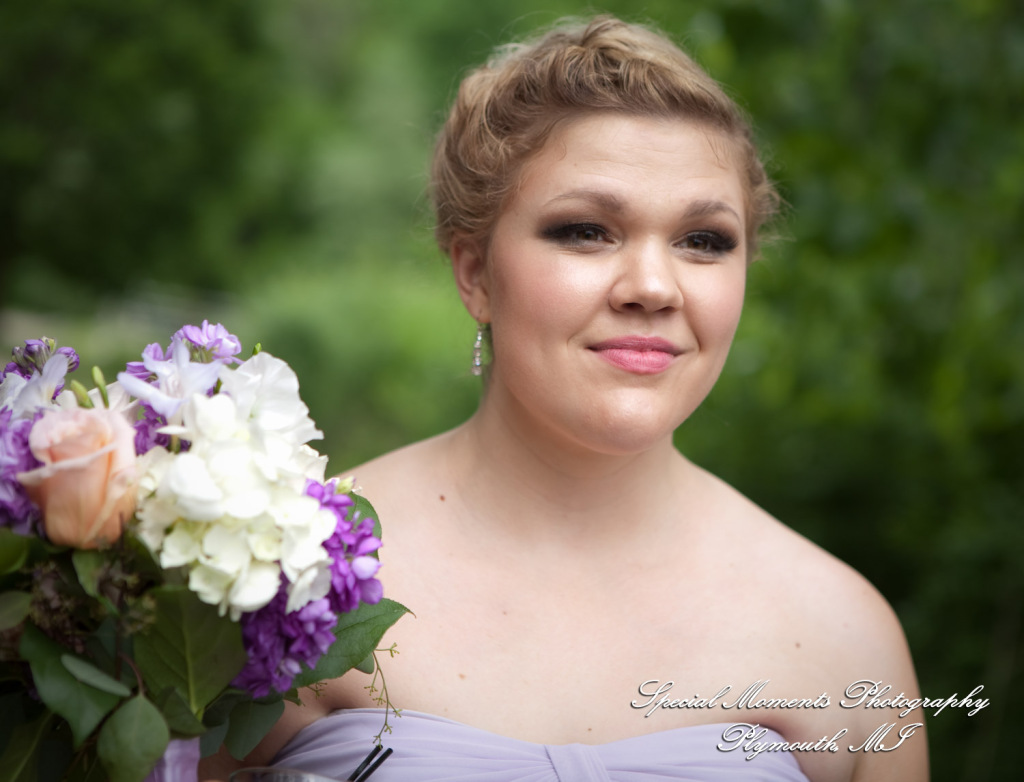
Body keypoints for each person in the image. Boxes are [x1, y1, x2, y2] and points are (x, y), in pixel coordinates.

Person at [203, 15, 928, 782]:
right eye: (586, 231)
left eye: (704, 240)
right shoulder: (280, 576)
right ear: (475, 273)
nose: (653, 286)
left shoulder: (843, 634)